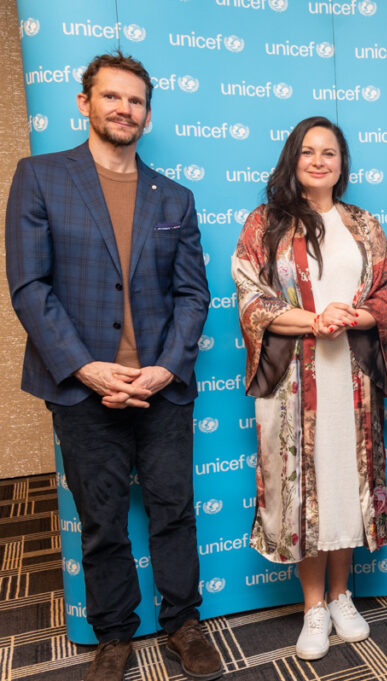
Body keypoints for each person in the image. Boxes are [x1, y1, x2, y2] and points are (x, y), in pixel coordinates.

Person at [4, 52, 221, 681]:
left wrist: (165, 369)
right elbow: (30, 287)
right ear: (85, 102)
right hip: (82, 392)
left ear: (147, 114)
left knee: (174, 512)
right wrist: (85, 368)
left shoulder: (174, 196)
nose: (124, 109)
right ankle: (114, 636)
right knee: (100, 521)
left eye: (135, 101)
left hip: (161, 390)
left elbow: (193, 295)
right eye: (111, 96)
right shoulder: (40, 176)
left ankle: (183, 623)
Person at [231, 116, 387, 660]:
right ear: (293, 160)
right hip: (292, 381)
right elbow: (250, 297)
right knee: (304, 488)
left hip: (352, 377)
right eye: (308, 151)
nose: (319, 161)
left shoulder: (364, 223)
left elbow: (386, 292)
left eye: (330, 152)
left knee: (347, 482)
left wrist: (354, 317)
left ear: (342, 163)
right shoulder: (265, 223)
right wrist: (314, 320)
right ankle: (313, 607)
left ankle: (342, 595)